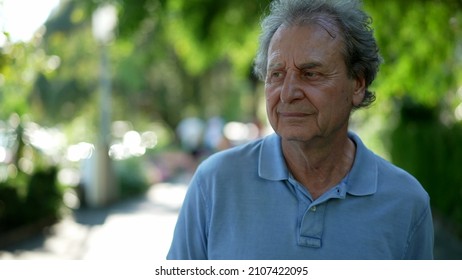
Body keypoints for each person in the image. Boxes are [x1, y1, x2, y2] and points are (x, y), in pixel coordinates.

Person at [167, 0, 434, 260]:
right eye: (277, 74)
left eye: (310, 74)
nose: (288, 93)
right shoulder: (215, 182)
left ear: (357, 85)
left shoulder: (406, 203)